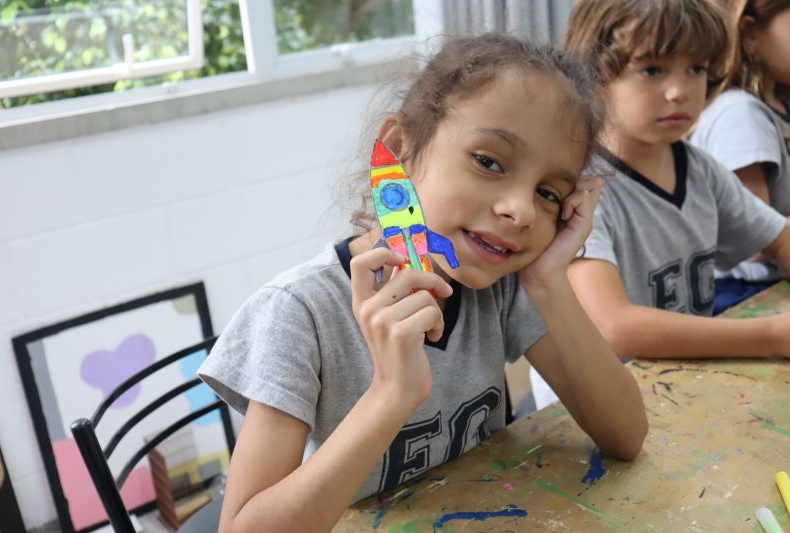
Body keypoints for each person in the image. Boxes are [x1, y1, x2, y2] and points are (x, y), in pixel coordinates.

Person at [197, 34, 648, 532]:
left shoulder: (503, 288)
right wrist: (391, 392)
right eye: (489, 162)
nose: (520, 211)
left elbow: (626, 435)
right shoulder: (299, 312)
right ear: (399, 149)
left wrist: (549, 281)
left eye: (548, 193)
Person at [531, 0, 790, 409]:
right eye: (652, 70)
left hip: (683, 388)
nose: (679, 92)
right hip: (589, 412)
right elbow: (617, 327)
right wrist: (772, 335)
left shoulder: (699, 169)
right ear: (594, 75)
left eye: (696, 69)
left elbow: (780, 239)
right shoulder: (579, 188)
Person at [690, 0, 790, 313]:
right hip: (741, 296)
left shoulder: (774, 107)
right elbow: (753, 244)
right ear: (749, 34)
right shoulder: (740, 115)